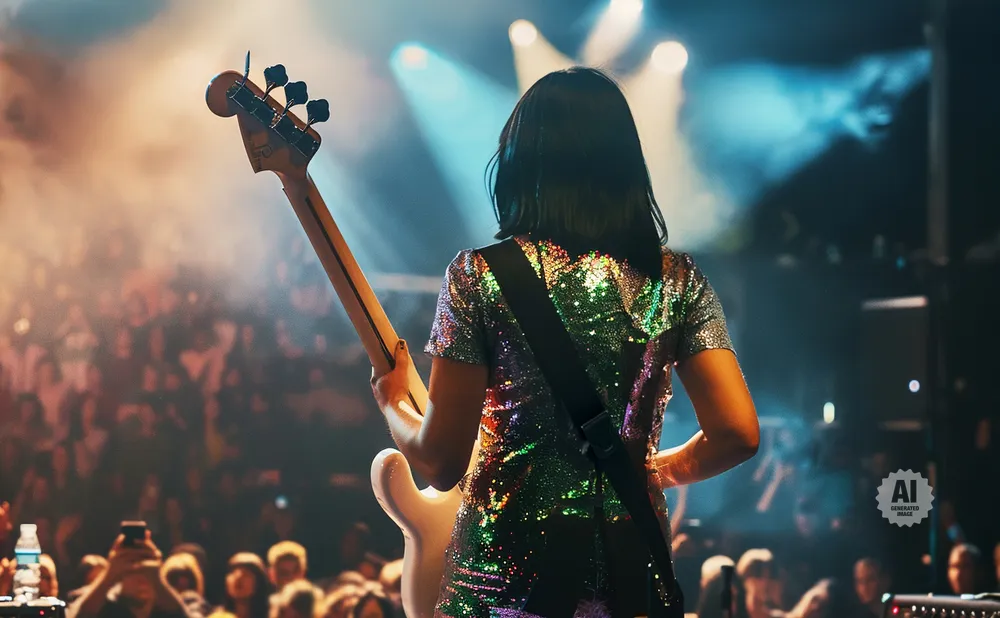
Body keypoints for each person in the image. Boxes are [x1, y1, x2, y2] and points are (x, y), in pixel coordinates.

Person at [372, 67, 760, 617]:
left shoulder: (479, 276)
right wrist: (648, 470)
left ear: (519, 161)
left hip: (504, 589)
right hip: (631, 577)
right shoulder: (676, 279)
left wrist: (392, 403)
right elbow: (738, 434)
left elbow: (440, 461)